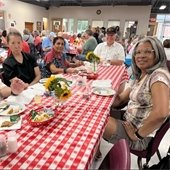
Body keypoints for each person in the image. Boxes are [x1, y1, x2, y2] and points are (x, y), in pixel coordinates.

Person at [101, 36, 169, 154]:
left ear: (158, 54)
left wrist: (138, 134)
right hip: (128, 120)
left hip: (140, 135)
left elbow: (161, 113)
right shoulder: (142, 75)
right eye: (137, 52)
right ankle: (96, 149)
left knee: (96, 122)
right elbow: (120, 100)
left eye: (147, 52)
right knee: (94, 112)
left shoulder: (158, 77)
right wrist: (106, 90)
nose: (141, 56)